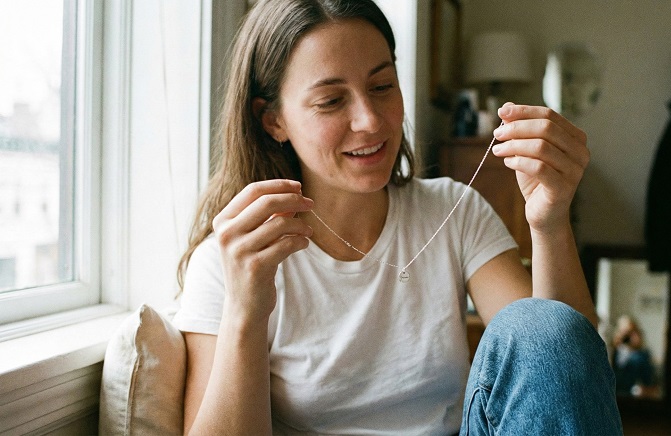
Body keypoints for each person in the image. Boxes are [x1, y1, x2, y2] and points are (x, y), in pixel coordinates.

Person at [172, 0, 622, 434]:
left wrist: (549, 223)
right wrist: (245, 313)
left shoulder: (453, 211)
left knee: (541, 325)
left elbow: (562, 367)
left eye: (382, 86)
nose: (370, 120)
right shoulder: (229, 260)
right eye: (331, 101)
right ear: (273, 120)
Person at [612, 315, 657, 398]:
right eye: (624, 332)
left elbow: (649, 382)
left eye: (630, 332)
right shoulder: (613, 352)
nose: (627, 336)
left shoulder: (641, 356)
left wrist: (637, 347)